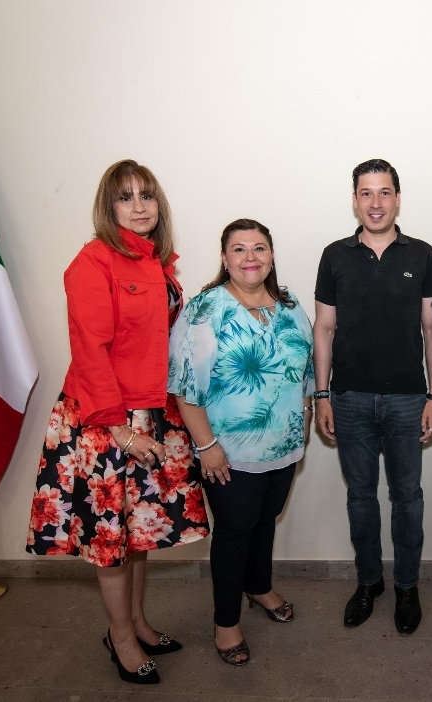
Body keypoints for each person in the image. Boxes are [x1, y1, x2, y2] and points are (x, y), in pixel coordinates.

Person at [26, 160, 209, 685]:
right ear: (108, 208)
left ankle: (139, 623)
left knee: (138, 530)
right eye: (125, 197)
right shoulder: (93, 262)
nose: (138, 206)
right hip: (106, 418)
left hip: (151, 413)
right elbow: (90, 351)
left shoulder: (156, 262)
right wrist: (119, 430)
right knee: (110, 540)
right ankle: (120, 637)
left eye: (146, 196)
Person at [168, 219, 314, 667]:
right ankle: (226, 622)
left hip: (284, 444)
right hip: (227, 451)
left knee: (265, 520)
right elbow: (184, 387)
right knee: (235, 530)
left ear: (271, 255)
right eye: (239, 249)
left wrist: (305, 419)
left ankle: (259, 586)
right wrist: (206, 445)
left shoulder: (290, 306)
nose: (250, 257)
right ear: (224, 258)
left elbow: (305, 372)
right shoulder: (205, 310)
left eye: (259, 248)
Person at [313, 159, 432, 635]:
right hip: (349, 398)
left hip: (409, 399)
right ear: (354, 200)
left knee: (408, 497)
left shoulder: (422, 255)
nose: (375, 202)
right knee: (361, 498)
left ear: (397, 199)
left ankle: (407, 587)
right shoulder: (334, 256)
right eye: (366, 193)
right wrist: (321, 394)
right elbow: (324, 329)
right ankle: (369, 582)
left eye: (384, 192)